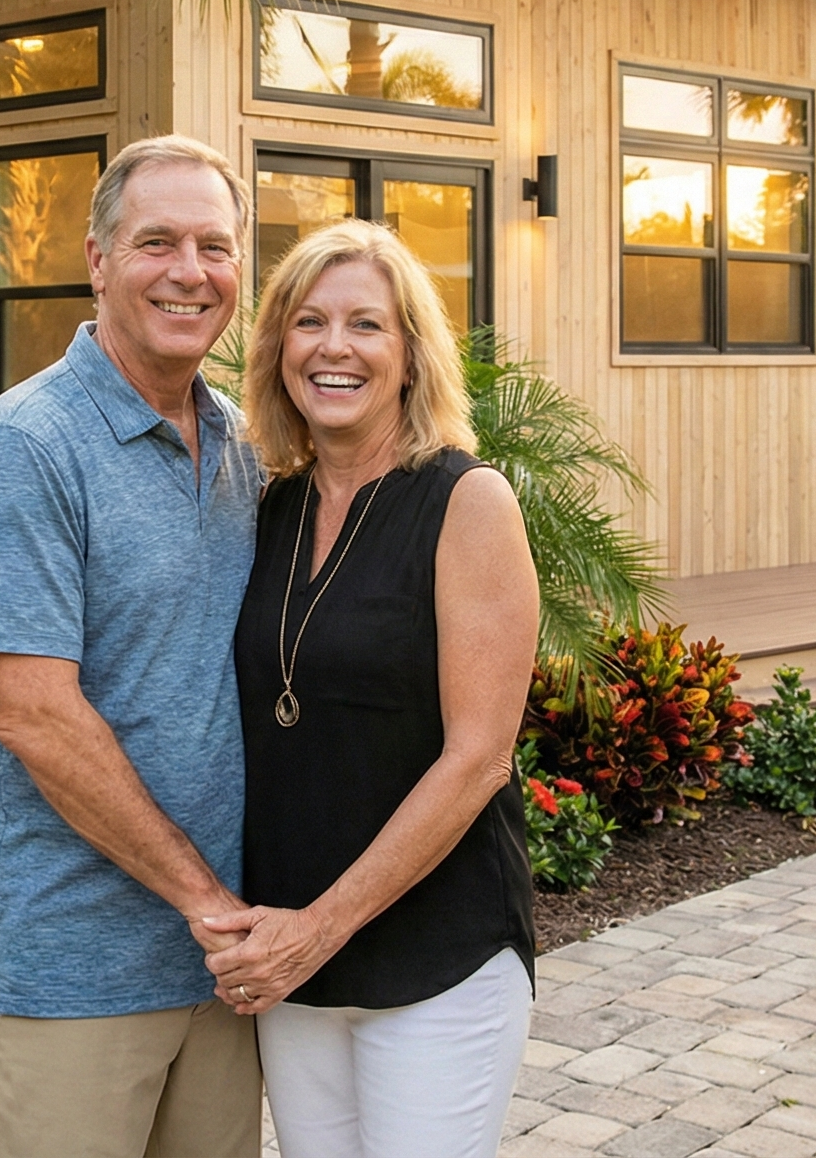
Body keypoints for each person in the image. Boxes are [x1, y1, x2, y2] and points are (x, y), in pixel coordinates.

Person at [0, 134, 265, 1158]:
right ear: (96, 260)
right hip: (68, 972)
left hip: (218, 969)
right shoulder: (26, 446)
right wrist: (204, 900)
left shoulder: (241, 446)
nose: (188, 271)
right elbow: (37, 719)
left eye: (214, 246)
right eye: (155, 241)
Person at [201, 219, 540, 1158]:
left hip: (438, 953)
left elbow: (479, 759)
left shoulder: (467, 503)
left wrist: (322, 927)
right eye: (308, 322)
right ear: (278, 352)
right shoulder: (268, 507)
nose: (334, 348)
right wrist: (291, 937)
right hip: (290, 957)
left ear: (409, 356)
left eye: (366, 325)